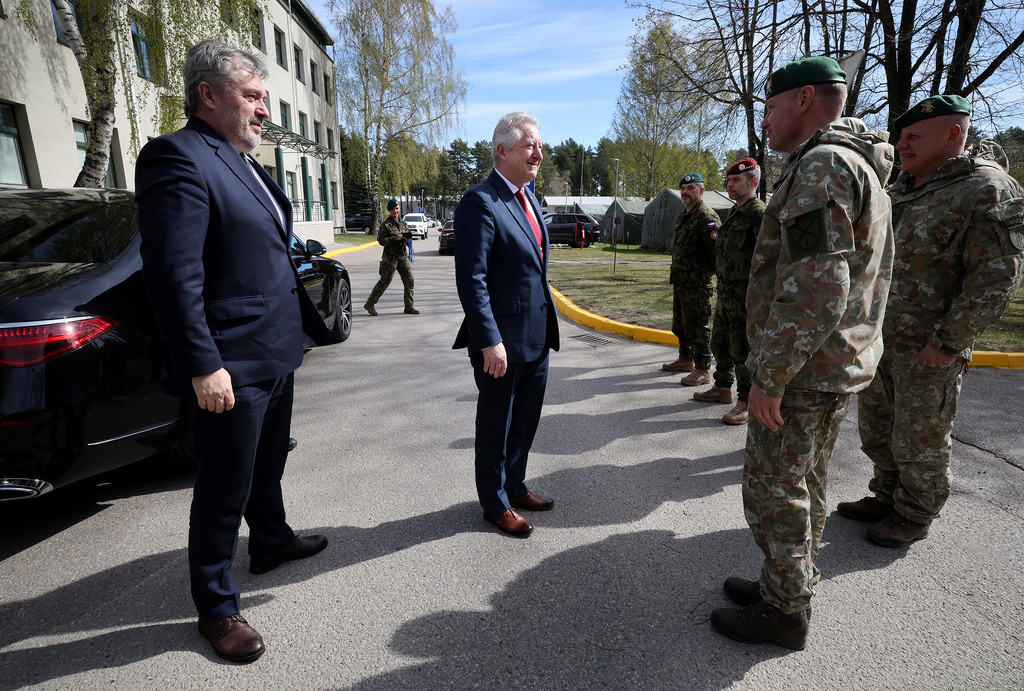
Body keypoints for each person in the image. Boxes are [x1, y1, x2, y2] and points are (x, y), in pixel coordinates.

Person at [136, 41, 332, 664]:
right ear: (209, 96)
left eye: (265, 98)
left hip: (276, 349)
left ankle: (270, 540)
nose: (263, 111)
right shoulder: (177, 158)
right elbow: (173, 275)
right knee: (224, 485)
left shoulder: (249, 162)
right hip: (229, 363)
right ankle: (217, 607)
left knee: (267, 462)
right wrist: (202, 364)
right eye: (252, 97)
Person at [710, 56, 894, 650]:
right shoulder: (852, 161)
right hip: (833, 363)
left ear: (805, 98)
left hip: (805, 368)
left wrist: (770, 376)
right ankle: (786, 584)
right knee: (807, 481)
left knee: (773, 487)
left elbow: (819, 285)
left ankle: (785, 611)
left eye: (769, 106)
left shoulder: (824, 167)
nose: (763, 119)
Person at [837, 95, 1024, 547]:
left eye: (914, 136)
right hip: (881, 338)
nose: (902, 144)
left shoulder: (987, 189)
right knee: (878, 426)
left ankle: (916, 510)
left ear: (953, 135)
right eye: (901, 137)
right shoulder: (902, 188)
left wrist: (948, 342)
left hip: (930, 345)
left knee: (921, 434)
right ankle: (885, 494)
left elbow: (995, 278)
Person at [453, 112, 560, 539]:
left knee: (526, 420)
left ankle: (514, 486)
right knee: (496, 425)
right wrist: (489, 339)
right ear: (503, 150)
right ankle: (494, 502)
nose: (538, 153)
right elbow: (472, 279)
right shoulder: (481, 201)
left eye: (539, 145)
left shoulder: (527, 196)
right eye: (529, 145)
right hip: (501, 343)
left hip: (536, 336)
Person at [692, 158, 765, 425]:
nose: (729, 185)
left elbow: (766, 259)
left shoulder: (758, 214)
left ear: (752, 182)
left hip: (746, 298)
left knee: (742, 351)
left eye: (736, 180)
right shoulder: (735, 212)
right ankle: (722, 388)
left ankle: (745, 402)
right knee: (720, 344)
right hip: (726, 295)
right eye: (729, 180)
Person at [662, 173, 720, 386]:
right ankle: (685, 359)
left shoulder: (706, 217)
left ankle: (703, 370)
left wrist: (703, 275)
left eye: (691, 187)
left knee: (698, 326)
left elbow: (716, 254)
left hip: (697, 284)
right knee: (681, 325)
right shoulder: (684, 214)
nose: (685, 191)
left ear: (701, 191)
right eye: (683, 188)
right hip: (681, 281)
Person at [364, 199, 419, 315]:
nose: (396, 211)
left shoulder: (403, 223)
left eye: (397, 208)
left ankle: (409, 306)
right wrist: (394, 238)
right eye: (393, 209)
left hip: (402, 256)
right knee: (385, 281)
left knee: (410, 279)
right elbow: (381, 241)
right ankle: (370, 303)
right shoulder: (385, 225)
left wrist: (406, 238)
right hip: (390, 258)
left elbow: (408, 236)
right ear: (389, 210)